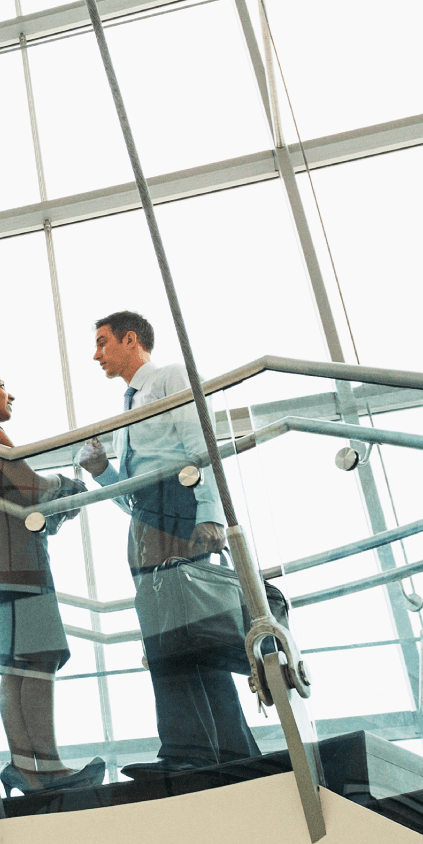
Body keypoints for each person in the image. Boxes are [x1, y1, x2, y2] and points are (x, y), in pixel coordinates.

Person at [76, 312, 261, 775]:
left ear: (130, 340)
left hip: (180, 511)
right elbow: (135, 495)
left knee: (188, 636)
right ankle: (222, 751)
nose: (96, 354)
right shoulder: (128, 406)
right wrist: (103, 473)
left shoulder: (168, 378)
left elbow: (201, 444)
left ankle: (193, 752)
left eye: (102, 342)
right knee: (169, 639)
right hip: (148, 520)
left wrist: (211, 512)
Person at [0, 369, 104, 796]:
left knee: (19, 665)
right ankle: (45, 767)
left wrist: (56, 506)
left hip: (4, 556)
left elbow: (18, 500)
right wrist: (68, 487)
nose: (9, 393)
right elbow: (30, 487)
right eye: (0, 386)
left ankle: (25, 765)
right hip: (19, 559)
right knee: (39, 658)